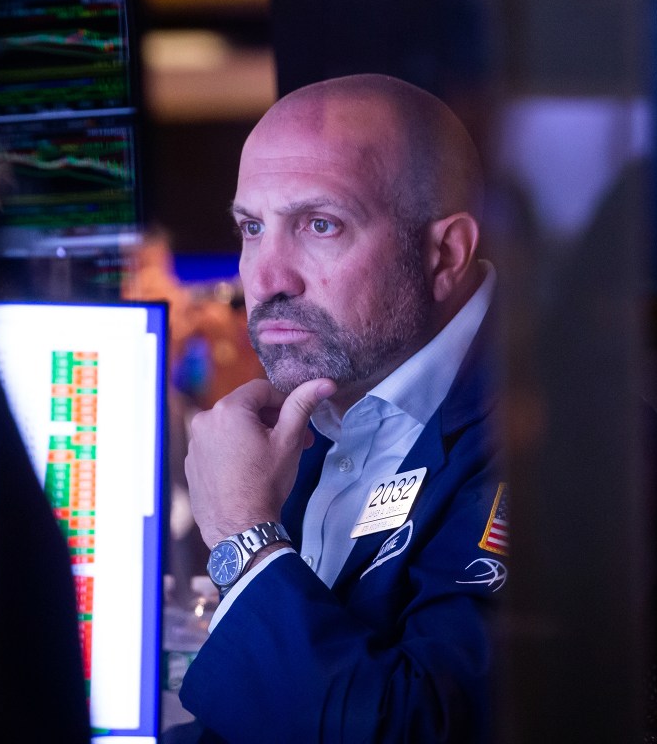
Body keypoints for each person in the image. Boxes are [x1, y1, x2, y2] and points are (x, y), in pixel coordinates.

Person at [177, 73, 503, 743]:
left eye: (319, 225)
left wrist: (243, 533)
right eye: (251, 227)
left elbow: (416, 732)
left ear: (445, 253)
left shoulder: (571, 444)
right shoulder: (335, 397)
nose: (266, 279)